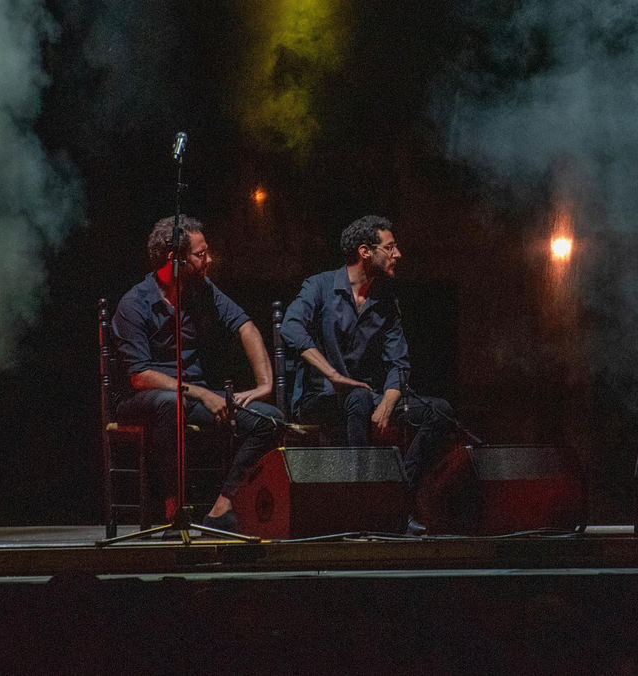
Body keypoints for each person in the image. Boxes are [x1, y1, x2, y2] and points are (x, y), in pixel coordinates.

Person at [112, 215, 282, 533]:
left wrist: (265, 384)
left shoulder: (200, 289)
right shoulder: (134, 303)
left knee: (269, 421)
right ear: (175, 259)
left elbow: (245, 326)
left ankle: (222, 508)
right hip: (143, 399)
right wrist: (202, 393)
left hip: (190, 395)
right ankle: (174, 510)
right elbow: (141, 376)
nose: (209, 259)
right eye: (201, 254)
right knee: (168, 403)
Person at [281, 215, 455, 490]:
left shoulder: (386, 301)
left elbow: (399, 363)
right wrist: (333, 375)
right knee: (359, 397)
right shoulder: (321, 286)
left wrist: (387, 404)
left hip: (366, 398)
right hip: (320, 399)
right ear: (365, 251)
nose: (397, 254)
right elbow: (290, 327)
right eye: (389, 247)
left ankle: (399, 494)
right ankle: (362, 497)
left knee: (439, 411)